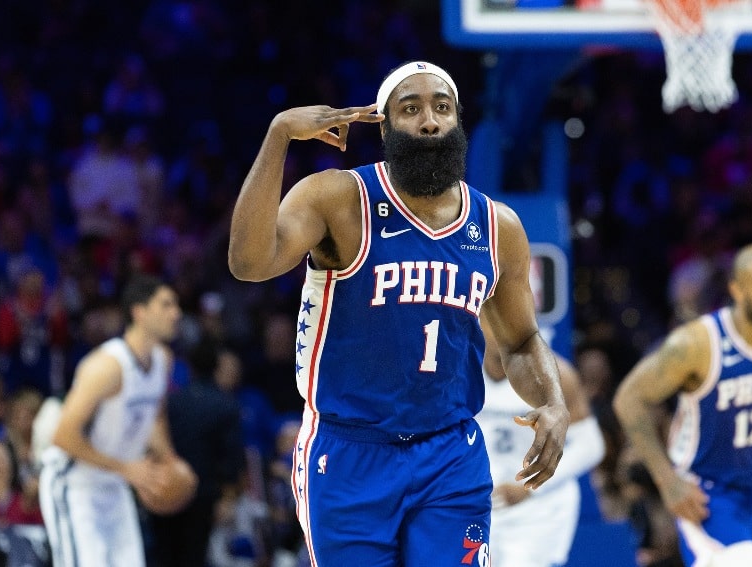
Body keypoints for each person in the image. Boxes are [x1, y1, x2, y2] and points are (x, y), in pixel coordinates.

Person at [227, 60, 570, 565]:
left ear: (457, 122)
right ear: (384, 126)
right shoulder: (339, 198)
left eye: (442, 107)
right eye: (411, 109)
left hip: (449, 453)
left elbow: (519, 342)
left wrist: (554, 402)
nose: (429, 120)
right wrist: (279, 135)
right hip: (348, 452)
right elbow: (249, 262)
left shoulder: (499, 228)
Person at [613, 243, 752, 567]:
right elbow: (629, 399)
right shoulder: (697, 343)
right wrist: (667, 481)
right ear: (737, 289)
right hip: (708, 494)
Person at [38, 274, 182, 567]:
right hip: (74, 483)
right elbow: (63, 436)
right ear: (139, 312)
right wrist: (127, 468)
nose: (176, 313)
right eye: (166, 305)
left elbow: (153, 420)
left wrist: (170, 461)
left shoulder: (163, 360)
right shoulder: (106, 366)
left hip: (114, 484)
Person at [477, 322, 605, 567]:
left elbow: (591, 445)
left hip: (539, 508)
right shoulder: (461, 368)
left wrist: (528, 485)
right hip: (484, 503)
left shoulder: (555, 374)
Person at [148, 338, 245, 567]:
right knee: (194, 558)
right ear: (216, 367)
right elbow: (232, 460)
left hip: (166, 489)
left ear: (189, 366)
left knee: (162, 556)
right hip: (203, 496)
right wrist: (228, 498)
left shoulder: (171, 403)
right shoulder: (226, 406)